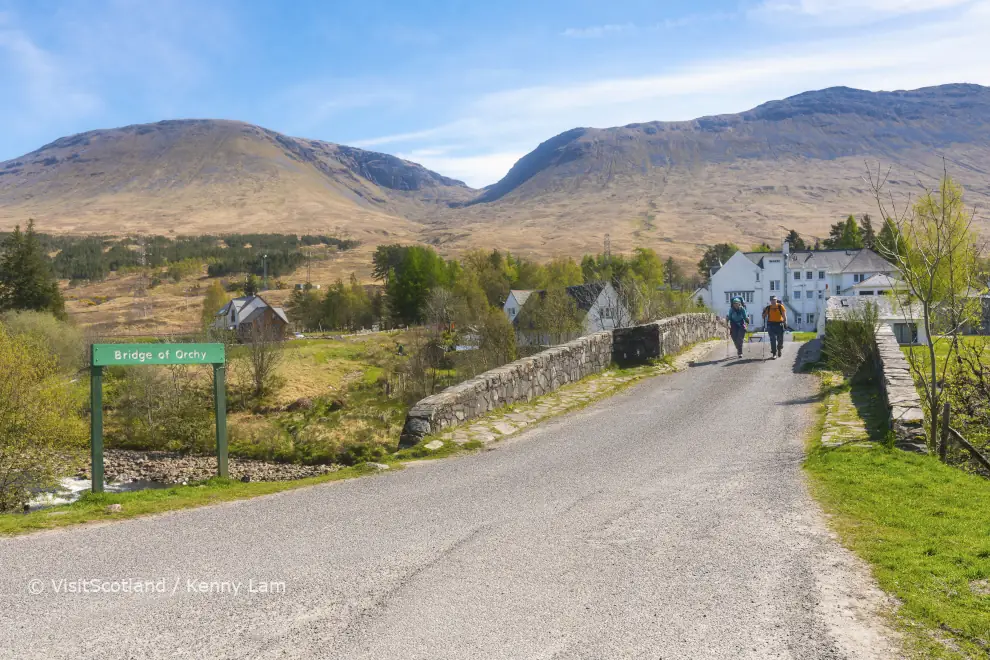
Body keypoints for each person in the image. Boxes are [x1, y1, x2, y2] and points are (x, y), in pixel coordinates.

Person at [762, 295, 787, 359]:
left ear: (776, 300)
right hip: (771, 325)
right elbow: (763, 316)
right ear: (770, 301)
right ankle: (774, 353)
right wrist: (763, 312)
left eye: (774, 300)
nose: (773, 301)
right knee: (772, 339)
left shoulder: (780, 306)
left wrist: (785, 323)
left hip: (779, 324)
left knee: (780, 339)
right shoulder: (768, 307)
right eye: (772, 300)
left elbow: (784, 316)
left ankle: (779, 349)